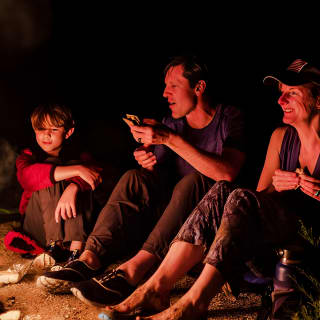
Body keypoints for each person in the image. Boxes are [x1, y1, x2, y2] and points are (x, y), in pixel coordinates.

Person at [101, 58, 320, 320]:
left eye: (292, 93)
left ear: (319, 100)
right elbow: (260, 200)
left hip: (310, 244)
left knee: (234, 191)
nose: (280, 101)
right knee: (224, 191)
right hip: (271, 243)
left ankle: (195, 302)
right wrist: (278, 187)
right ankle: (156, 287)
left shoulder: (230, 117)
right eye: (281, 92)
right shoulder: (281, 136)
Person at [37, 55, 247, 301]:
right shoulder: (172, 123)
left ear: (198, 87)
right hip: (169, 220)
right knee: (134, 177)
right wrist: (147, 159)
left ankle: (131, 272)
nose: (165, 94)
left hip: (207, 226)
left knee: (195, 181)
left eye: (173, 86)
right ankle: (89, 259)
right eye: (165, 86)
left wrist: (169, 139)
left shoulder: (229, 118)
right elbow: (155, 180)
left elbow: (227, 173)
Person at [8, 104, 102, 264]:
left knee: (82, 180)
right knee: (48, 170)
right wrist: (77, 170)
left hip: (71, 229)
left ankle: (76, 249)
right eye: (41, 129)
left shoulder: (80, 157)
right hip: (39, 227)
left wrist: (74, 187)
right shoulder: (27, 156)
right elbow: (27, 177)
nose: (46, 135)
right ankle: (54, 245)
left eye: (53, 130)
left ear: (68, 132)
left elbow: (96, 175)